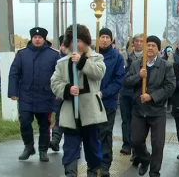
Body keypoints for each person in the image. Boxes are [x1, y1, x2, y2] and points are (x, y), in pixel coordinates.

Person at [50, 24, 107, 176]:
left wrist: (82, 62)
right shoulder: (62, 63)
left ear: (86, 42)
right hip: (71, 111)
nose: (77, 44)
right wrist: (67, 89)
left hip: (90, 111)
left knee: (93, 146)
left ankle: (94, 170)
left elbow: (99, 73)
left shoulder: (96, 58)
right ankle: (70, 173)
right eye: (74, 41)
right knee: (70, 147)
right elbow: (55, 83)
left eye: (80, 40)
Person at [124, 36, 176, 177]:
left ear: (159, 49)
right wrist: (138, 77)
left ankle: (154, 172)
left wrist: (152, 96)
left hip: (157, 111)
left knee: (158, 144)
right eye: (149, 45)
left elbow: (170, 86)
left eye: (154, 45)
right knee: (135, 141)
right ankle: (145, 159)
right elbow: (126, 81)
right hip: (139, 110)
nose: (151, 48)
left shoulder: (166, 66)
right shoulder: (136, 65)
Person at [8, 27, 60, 162]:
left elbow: (60, 75)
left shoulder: (53, 55)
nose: (37, 40)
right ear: (32, 38)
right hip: (26, 95)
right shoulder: (22, 54)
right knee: (24, 121)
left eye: (40, 38)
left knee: (44, 124)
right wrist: (13, 92)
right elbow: (14, 73)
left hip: (46, 95)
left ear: (44, 39)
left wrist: (59, 92)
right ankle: (28, 147)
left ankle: (43, 151)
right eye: (35, 37)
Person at [97, 28, 125, 176]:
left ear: (111, 39)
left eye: (107, 37)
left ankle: (105, 164)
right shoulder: (91, 55)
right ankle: (93, 161)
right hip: (90, 102)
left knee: (105, 132)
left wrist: (104, 92)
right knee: (93, 133)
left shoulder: (116, 57)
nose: (104, 40)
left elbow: (118, 79)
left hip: (108, 102)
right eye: (102, 36)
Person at [119, 33, 150, 165]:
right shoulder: (126, 56)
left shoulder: (147, 58)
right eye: (136, 41)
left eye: (141, 41)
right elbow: (124, 76)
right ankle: (127, 144)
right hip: (126, 93)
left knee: (138, 124)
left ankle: (136, 150)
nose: (138, 43)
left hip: (139, 95)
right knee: (126, 121)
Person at [49, 35, 66, 152]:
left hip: (73, 94)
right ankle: (55, 140)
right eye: (63, 45)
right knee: (59, 117)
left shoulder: (77, 59)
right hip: (58, 94)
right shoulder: (56, 58)